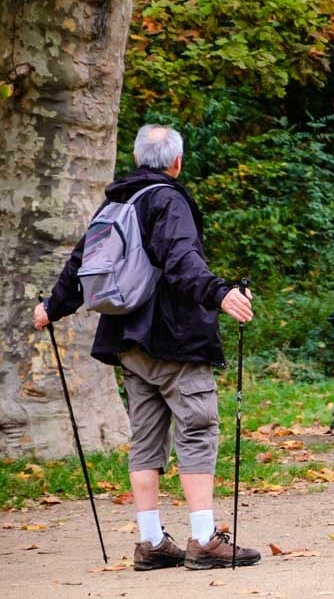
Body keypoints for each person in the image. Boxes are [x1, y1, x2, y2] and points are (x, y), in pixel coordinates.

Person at [33, 125, 260, 570]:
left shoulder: (116, 202)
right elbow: (181, 260)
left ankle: (151, 541)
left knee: (146, 440)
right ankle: (203, 539)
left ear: (140, 159)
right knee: (196, 430)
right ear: (176, 162)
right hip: (173, 338)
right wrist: (219, 294)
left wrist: (51, 308)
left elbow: (81, 264)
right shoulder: (167, 199)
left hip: (127, 341)